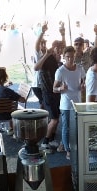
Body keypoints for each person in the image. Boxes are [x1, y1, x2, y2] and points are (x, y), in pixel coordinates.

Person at [34, 22, 66, 152]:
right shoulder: (44, 57)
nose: (59, 50)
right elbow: (36, 67)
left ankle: (50, 138)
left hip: (56, 92)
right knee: (54, 119)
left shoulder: (57, 59)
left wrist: (63, 34)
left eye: (60, 48)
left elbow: (64, 46)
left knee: (55, 118)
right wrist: (47, 53)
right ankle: (45, 142)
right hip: (47, 91)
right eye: (56, 48)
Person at [53, 46, 85, 158]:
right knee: (66, 127)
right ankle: (68, 150)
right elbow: (54, 88)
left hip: (77, 103)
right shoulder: (60, 71)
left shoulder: (80, 68)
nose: (70, 59)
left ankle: (75, 146)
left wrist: (82, 85)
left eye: (72, 57)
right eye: (68, 57)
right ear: (64, 57)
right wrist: (60, 88)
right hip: (66, 104)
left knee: (77, 127)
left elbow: (83, 81)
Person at [0, 67, 26, 135]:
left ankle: (12, 129)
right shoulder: (7, 91)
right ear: (5, 77)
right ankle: (17, 131)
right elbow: (23, 100)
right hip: (6, 115)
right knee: (16, 110)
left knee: (9, 108)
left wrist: (5, 86)